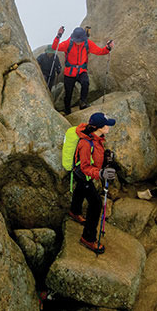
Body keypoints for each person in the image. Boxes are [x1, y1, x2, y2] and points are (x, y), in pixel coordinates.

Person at [67, 112, 117, 254]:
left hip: (82, 175)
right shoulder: (86, 143)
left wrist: (105, 156)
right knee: (96, 204)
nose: (109, 127)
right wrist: (101, 173)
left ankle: (74, 211)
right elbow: (85, 167)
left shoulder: (96, 138)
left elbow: (95, 157)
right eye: (106, 125)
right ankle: (88, 238)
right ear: (99, 127)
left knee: (80, 190)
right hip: (83, 175)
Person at [52, 26, 113, 115]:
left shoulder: (87, 43)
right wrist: (58, 36)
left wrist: (107, 48)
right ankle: (67, 110)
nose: (79, 43)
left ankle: (82, 103)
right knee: (68, 93)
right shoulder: (68, 43)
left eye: (80, 41)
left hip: (81, 71)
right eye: (77, 41)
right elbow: (55, 47)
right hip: (69, 72)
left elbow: (99, 51)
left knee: (85, 83)